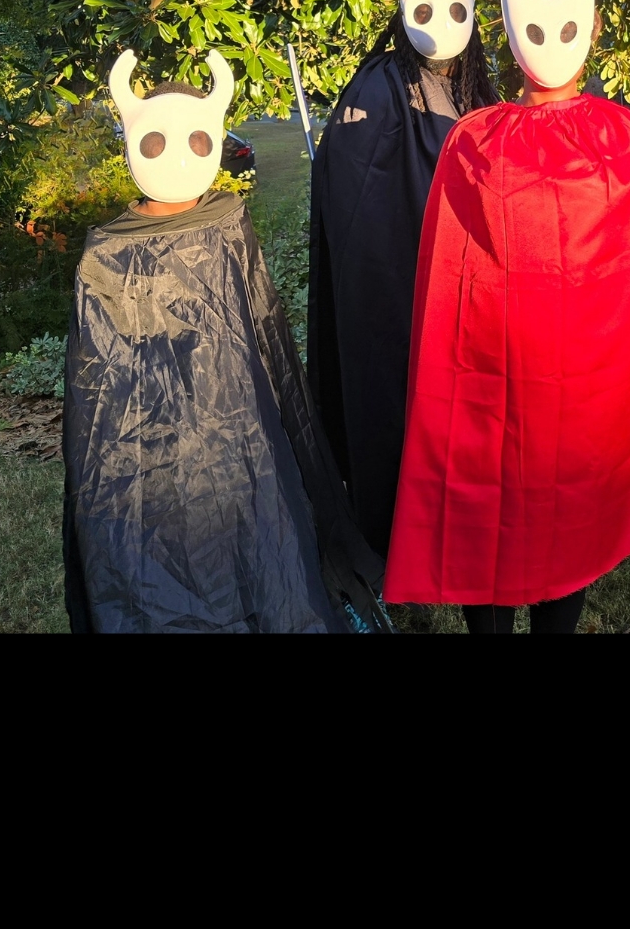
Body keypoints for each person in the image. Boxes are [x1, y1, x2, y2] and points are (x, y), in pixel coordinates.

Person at [382, 0, 630, 633]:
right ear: (592, 33)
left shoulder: (474, 140)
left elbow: (447, 281)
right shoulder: (628, 141)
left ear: (510, 42)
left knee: (496, 511)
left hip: (497, 389)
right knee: (571, 522)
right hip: (585, 395)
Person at [63, 49, 387, 633]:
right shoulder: (108, 254)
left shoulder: (226, 223)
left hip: (240, 429)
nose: (176, 157)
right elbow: (99, 393)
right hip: (151, 453)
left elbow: (260, 329)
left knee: (256, 539)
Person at [308, 0, 498, 557]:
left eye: (455, 11)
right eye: (425, 11)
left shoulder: (477, 87)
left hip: (466, 287)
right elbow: (354, 190)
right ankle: (394, 533)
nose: (440, 27)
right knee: (393, 403)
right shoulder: (378, 87)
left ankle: (457, 521)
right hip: (396, 286)